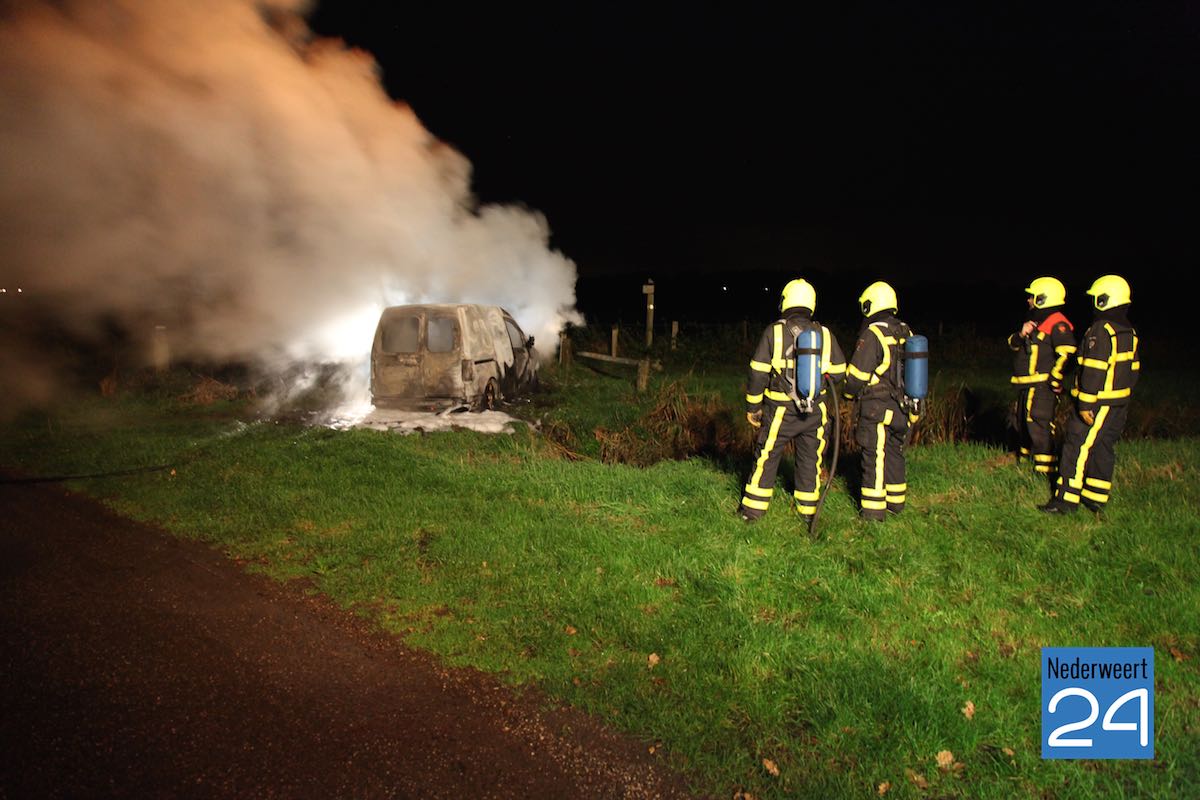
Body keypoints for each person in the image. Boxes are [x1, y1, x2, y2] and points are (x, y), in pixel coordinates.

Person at [738, 279, 847, 522]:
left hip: (780, 410)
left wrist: (753, 407)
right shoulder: (824, 334)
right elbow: (840, 372)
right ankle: (807, 512)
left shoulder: (774, 332)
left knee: (767, 456)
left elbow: (758, 372)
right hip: (815, 411)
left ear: (785, 302)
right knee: (811, 460)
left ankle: (752, 513)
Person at [1040, 275, 1140, 514]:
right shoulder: (1128, 330)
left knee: (1076, 446)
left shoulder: (1101, 330)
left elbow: (1094, 370)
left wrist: (1085, 403)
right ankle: (1095, 496)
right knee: (1103, 446)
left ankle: (1065, 500)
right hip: (1117, 402)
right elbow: (1134, 369)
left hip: (1097, 402)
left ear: (1104, 300)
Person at [843, 281, 918, 521]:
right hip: (903, 407)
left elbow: (857, 376)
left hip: (877, 408)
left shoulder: (873, 333)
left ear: (869, 305)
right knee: (894, 452)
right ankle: (896, 503)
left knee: (874, 456)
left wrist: (847, 393)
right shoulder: (906, 331)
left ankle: (873, 513)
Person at [1007, 277, 1076, 477]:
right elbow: (1012, 344)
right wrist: (1021, 334)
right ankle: (1024, 463)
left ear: (1043, 298)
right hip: (1027, 385)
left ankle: (1044, 472)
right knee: (1022, 424)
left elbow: (1068, 353)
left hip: (1042, 387)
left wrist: (1055, 379)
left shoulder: (1057, 324)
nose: (1029, 300)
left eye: (1032, 296)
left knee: (1039, 424)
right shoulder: (1035, 322)